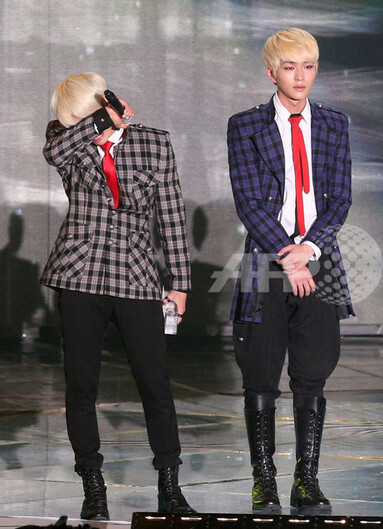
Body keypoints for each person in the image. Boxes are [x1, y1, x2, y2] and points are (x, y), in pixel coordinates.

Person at [41, 72, 195, 519]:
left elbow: (171, 215)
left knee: (154, 383)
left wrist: (180, 283)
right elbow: (54, 154)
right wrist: (96, 124)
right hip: (79, 274)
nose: (74, 126)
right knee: (80, 386)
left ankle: (170, 484)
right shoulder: (66, 142)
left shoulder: (154, 142)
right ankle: (93, 485)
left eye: (82, 116)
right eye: (71, 121)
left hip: (135, 274)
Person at [227, 27, 353, 515]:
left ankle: (307, 480)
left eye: (309, 66)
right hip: (266, 260)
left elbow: (339, 199)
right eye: (290, 67)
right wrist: (288, 253)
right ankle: (264, 482)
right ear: (271, 72)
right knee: (260, 374)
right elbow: (249, 202)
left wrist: (308, 250)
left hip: (319, 260)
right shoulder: (245, 125)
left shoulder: (334, 124)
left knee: (313, 373)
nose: (300, 77)